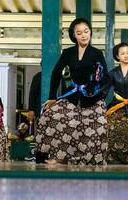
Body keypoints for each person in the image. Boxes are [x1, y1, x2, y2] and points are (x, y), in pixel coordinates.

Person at [35, 18, 109, 165]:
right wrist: (52, 97)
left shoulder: (96, 53)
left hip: (92, 96)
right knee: (49, 115)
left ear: (90, 33)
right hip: (73, 93)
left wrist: (96, 94)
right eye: (79, 32)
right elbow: (56, 73)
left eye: (86, 31)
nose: (83, 35)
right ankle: (60, 157)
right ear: (74, 35)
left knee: (98, 124)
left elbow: (103, 78)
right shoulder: (68, 52)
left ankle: (88, 158)